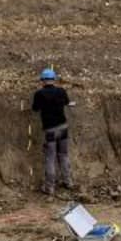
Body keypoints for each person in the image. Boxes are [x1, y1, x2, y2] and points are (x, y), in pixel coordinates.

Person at [31, 67, 73, 196]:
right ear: (54, 79)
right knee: (64, 155)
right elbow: (67, 102)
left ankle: (50, 187)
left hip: (50, 130)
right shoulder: (61, 91)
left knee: (50, 157)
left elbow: (35, 109)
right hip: (63, 127)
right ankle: (68, 182)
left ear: (43, 80)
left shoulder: (39, 94)